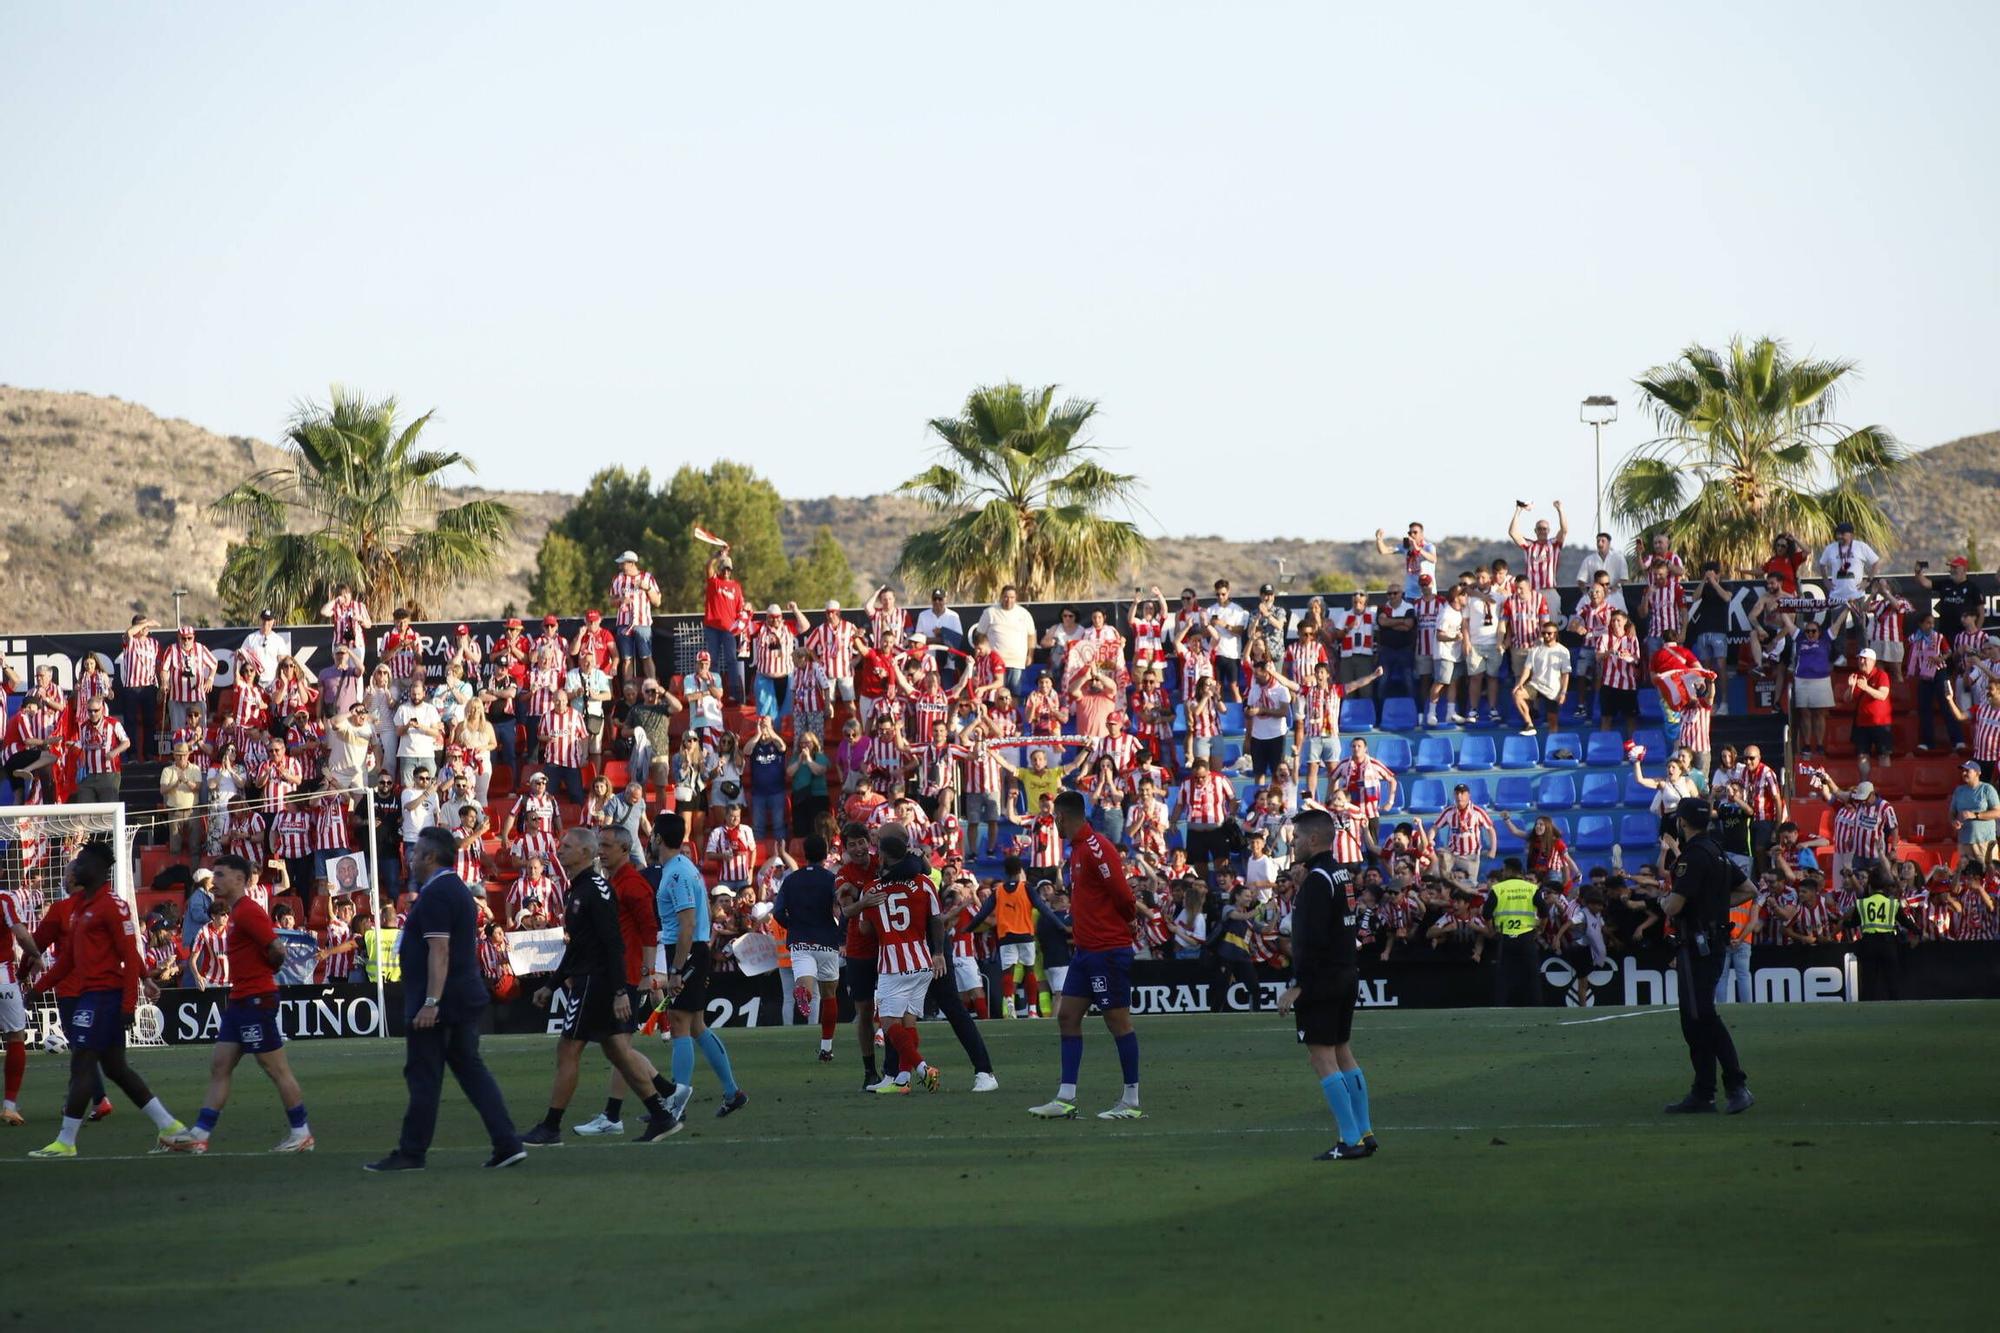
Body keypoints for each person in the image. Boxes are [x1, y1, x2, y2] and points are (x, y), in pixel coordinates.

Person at [365, 826, 526, 1171]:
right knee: (471, 1070)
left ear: (430, 857)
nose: (410, 857)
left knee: (424, 1075)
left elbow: (439, 950)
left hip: (442, 1004)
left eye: (417, 852)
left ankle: (412, 1152)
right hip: (462, 997)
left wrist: (430, 1002)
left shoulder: (438, 894)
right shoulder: (456, 890)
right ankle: (507, 1142)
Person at [520, 829, 683, 1146]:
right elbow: (581, 944)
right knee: (617, 1051)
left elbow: (613, 941)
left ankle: (551, 1127)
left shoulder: (594, 890)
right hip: (597, 977)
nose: (561, 849)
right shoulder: (582, 888)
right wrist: (552, 984)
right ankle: (662, 1114)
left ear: (585, 852)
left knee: (568, 1048)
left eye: (568, 846)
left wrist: (622, 990)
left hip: (596, 981)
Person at [26, 842, 189, 1158]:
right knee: (115, 1068)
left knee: (83, 1061)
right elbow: (68, 960)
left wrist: (129, 1004)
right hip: (92, 995)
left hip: (104, 997)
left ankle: (65, 1141)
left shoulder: (113, 906)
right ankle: (171, 1128)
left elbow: (129, 956)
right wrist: (37, 989)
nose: (76, 868)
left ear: (99, 869)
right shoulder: (80, 907)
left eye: (82, 863)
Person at [163, 854, 314, 1154]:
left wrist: (265, 973)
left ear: (239, 880)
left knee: (275, 1069)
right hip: (240, 999)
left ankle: (302, 1133)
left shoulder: (248, 912)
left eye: (220, 875)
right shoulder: (236, 913)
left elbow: (276, 948)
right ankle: (200, 1135)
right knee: (220, 1065)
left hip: (255, 1000)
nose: (214, 881)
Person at [1029, 790, 1142, 1121]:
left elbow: (1123, 895)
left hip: (1107, 950)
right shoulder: (1077, 849)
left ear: (1062, 817)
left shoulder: (1096, 849)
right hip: (1085, 950)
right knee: (1066, 1016)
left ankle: (1131, 1101)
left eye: (1055, 821)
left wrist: (1128, 922)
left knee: (1117, 1022)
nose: (1055, 827)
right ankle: (1065, 1098)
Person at [1277, 807, 1379, 1161]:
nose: (1293, 843)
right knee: (1342, 1052)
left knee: (1321, 1058)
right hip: (1346, 973)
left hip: (1320, 980)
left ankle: (1349, 1139)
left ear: (1314, 839)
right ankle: (1364, 1132)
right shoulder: (1341, 875)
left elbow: (1311, 940)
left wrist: (1298, 985)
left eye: (1297, 837)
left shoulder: (1318, 881)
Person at [1658, 801, 1755, 1115]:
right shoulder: (1717, 852)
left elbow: (1673, 906)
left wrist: (1662, 901)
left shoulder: (1693, 856)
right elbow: (1749, 889)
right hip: (1714, 942)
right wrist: (1715, 904)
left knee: (1701, 1017)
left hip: (1696, 944)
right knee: (1694, 1017)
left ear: (1683, 823)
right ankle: (1704, 1091)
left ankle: (1734, 1085)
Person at [650, 813, 747, 1119]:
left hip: (688, 951)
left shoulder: (676, 873)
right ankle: (732, 1092)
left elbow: (687, 924)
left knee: (679, 1022)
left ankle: (675, 1103)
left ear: (658, 838)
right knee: (695, 1025)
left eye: (653, 834)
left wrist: (677, 970)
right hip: (694, 950)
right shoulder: (684, 868)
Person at [856, 823, 948, 1094]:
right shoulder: (924, 883)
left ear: (883, 857)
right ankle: (901, 1081)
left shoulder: (872, 889)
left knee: (887, 1023)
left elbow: (864, 929)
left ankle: (923, 1069)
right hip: (922, 962)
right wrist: (939, 952)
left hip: (893, 965)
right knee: (908, 1023)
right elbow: (937, 919)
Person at [772, 835, 843, 1061]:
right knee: (829, 995)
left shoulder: (791, 880)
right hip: (826, 940)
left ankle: (804, 992)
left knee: (805, 982)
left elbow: (777, 912)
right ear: (824, 854)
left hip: (800, 940)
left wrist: (793, 926)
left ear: (804, 855)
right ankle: (826, 1047)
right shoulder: (831, 879)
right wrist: (841, 932)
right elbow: (840, 909)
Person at [1, 886, 44, 1124]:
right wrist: (36, 955)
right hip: (3, 980)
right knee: (15, 1037)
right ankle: (9, 1106)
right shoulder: (4, 899)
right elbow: (21, 934)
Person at [1844, 865, 1914, 1000]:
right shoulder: (1892, 903)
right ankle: (1896, 1006)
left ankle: (1866, 1012)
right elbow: (1905, 922)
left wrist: (1841, 922)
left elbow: (1854, 923)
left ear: (1870, 887)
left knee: (1869, 980)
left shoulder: (1863, 903)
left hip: (1869, 943)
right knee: (1892, 979)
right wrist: (1918, 931)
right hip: (1888, 944)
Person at [1486, 859, 1542, 1007]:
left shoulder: (1498, 888)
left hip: (1505, 938)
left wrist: (1492, 930)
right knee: (1532, 975)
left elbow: (1486, 913)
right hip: (1527, 937)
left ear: (1510, 870)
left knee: (1503, 976)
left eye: (1504, 870)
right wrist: (1540, 929)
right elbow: (1544, 911)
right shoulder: (1531, 888)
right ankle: (1537, 1007)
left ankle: (1500, 1007)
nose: (1502, 873)